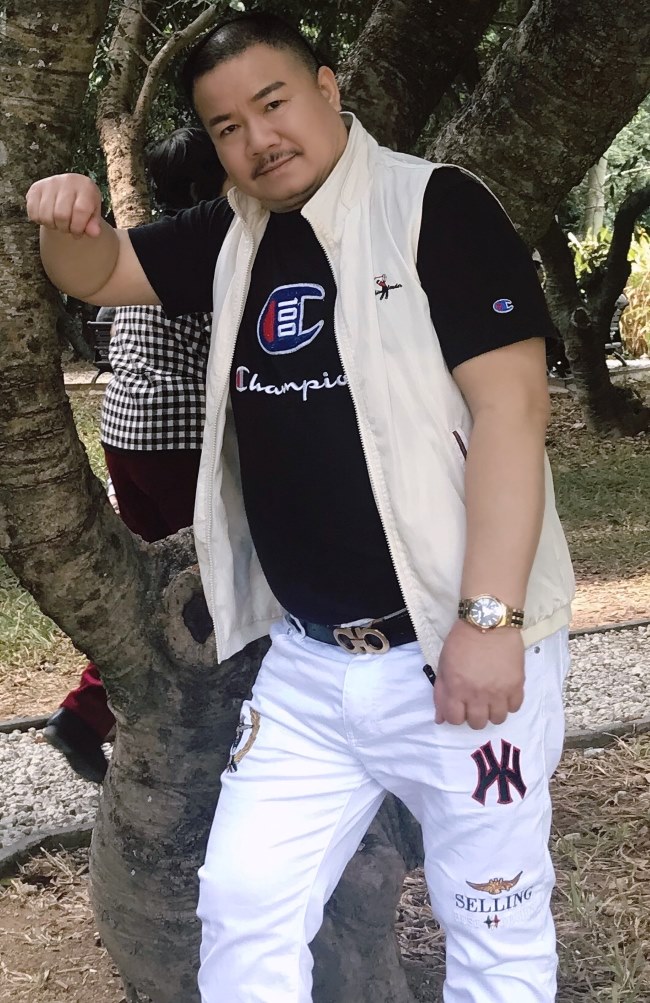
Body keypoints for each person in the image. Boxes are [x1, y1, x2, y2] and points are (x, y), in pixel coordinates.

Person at [26, 12, 575, 1002]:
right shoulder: (232, 234)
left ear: (326, 87)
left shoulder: (434, 207)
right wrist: (68, 224)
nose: (258, 139)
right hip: (309, 664)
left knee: (491, 919)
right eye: (227, 127)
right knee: (243, 902)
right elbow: (101, 274)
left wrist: (489, 621)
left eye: (272, 103)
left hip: (454, 647)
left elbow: (512, 411)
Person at [42, 129, 226, 783]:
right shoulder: (208, 252)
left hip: (125, 431)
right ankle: (102, 712)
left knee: (152, 580)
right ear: (210, 184)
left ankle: (92, 712)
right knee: (200, 581)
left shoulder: (146, 247)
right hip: (181, 438)